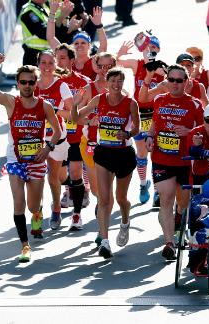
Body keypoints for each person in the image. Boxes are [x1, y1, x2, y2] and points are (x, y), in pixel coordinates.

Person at [0, 54, 61, 262]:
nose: (27, 86)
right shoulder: (11, 102)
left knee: (32, 206)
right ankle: (25, 246)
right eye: (23, 82)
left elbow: (58, 130)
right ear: (18, 84)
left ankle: (37, 214)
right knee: (18, 204)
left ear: (36, 84)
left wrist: (48, 147)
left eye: (31, 82)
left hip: (36, 161)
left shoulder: (44, 106)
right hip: (15, 161)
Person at [73, 68, 140, 259]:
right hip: (103, 153)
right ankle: (104, 241)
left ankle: (125, 221)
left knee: (121, 198)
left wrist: (127, 134)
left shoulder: (130, 103)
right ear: (107, 82)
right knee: (104, 199)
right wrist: (75, 105)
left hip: (124, 154)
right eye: (113, 81)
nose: (116, 85)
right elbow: (77, 118)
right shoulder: (99, 100)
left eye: (120, 81)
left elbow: (137, 127)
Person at [141, 64, 204, 260]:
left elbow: (206, 131)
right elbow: (154, 125)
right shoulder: (159, 100)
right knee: (166, 199)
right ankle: (169, 243)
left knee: (183, 203)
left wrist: (190, 133)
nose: (175, 84)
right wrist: (150, 136)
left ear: (186, 82)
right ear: (166, 81)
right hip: (162, 159)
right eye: (171, 80)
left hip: (185, 162)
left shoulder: (194, 104)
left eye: (179, 80)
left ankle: (179, 221)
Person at [116, 34, 164, 206]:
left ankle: (158, 190)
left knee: (157, 153)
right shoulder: (137, 63)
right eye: (147, 46)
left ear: (158, 51)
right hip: (138, 114)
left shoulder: (161, 68)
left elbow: (155, 67)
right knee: (142, 153)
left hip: (156, 114)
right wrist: (120, 53)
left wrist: (147, 52)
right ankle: (144, 185)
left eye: (154, 47)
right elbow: (117, 63)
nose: (150, 49)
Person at [72, 52, 118, 230]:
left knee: (108, 189)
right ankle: (101, 204)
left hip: (113, 146)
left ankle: (102, 231)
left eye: (109, 66)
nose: (105, 70)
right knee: (97, 190)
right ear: (95, 67)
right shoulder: (89, 88)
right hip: (90, 144)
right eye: (101, 66)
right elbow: (76, 118)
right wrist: (89, 120)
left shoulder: (121, 90)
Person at [33, 50, 74, 231]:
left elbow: (72, 114)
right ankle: (37, 211)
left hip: (56, 137)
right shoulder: (32, 83)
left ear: (56, 64)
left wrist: (55, 111)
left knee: (53, 178)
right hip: (35, 137)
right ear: (38, 64)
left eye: (51, 63)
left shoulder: (61, 85)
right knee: (37, 177)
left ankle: (56, 208)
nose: (47, 67)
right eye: (44, 63)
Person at [52, 43, 91, 230]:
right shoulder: (49, 82)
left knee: (75, 174)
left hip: (75, 136)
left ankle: (76, 215)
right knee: (59, 178)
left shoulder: (82, 82)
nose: (58, 61)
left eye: (62, 58)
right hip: (56, 138)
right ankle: (69, 192)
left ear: (72, 61)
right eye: (56, 58)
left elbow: (84, 110)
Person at [47, 1, 107, 81]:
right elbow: (51, 38)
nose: (79, 45)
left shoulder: (94, 61)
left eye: (83, 43)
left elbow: (103, 46)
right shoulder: (67, 60)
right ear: (72, 46)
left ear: (89, 46)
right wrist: (52, 13)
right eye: (76, 43)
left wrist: (99, 25)